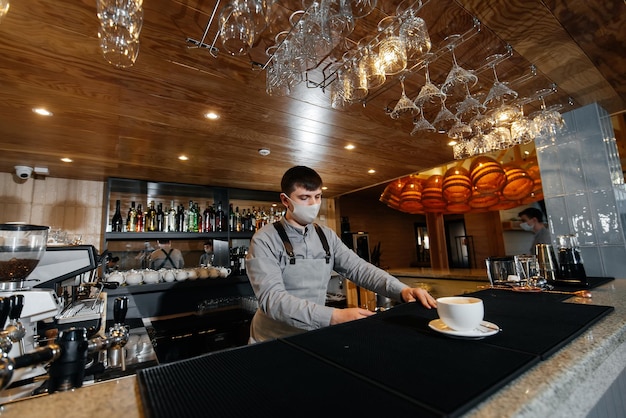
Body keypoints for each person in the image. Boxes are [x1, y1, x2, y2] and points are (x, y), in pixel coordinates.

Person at [245, 165, 437, 343]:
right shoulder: (264, 239)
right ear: (285, 200)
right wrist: (333, 316)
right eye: (304, 198)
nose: (313, 204)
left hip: (314, 334)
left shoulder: (326, 236)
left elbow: (359, 269)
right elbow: (273, 299)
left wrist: (402, 290)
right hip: (271, 339)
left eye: (318, 196)